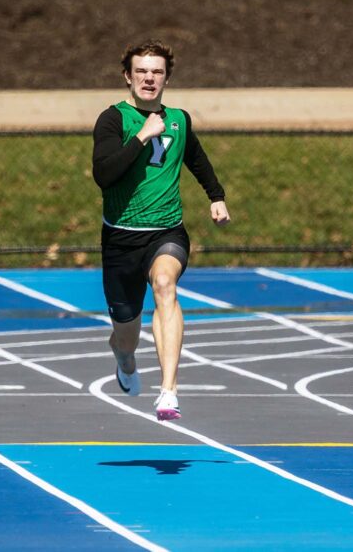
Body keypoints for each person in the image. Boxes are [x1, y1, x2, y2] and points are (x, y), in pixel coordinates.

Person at [92, 39, 230, 421]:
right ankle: (125, 358)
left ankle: (168, 391)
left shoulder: (179, 120)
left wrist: (216, 196)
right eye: (141, 71)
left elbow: (196, 159)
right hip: (120, 238)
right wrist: (141, 136)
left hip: (166, 232)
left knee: (165, 286)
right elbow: (104, 175)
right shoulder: (113, 120)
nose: (149, 78)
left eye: (156, 72)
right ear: (127, 77)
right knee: (126, 331)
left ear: (167, 77)